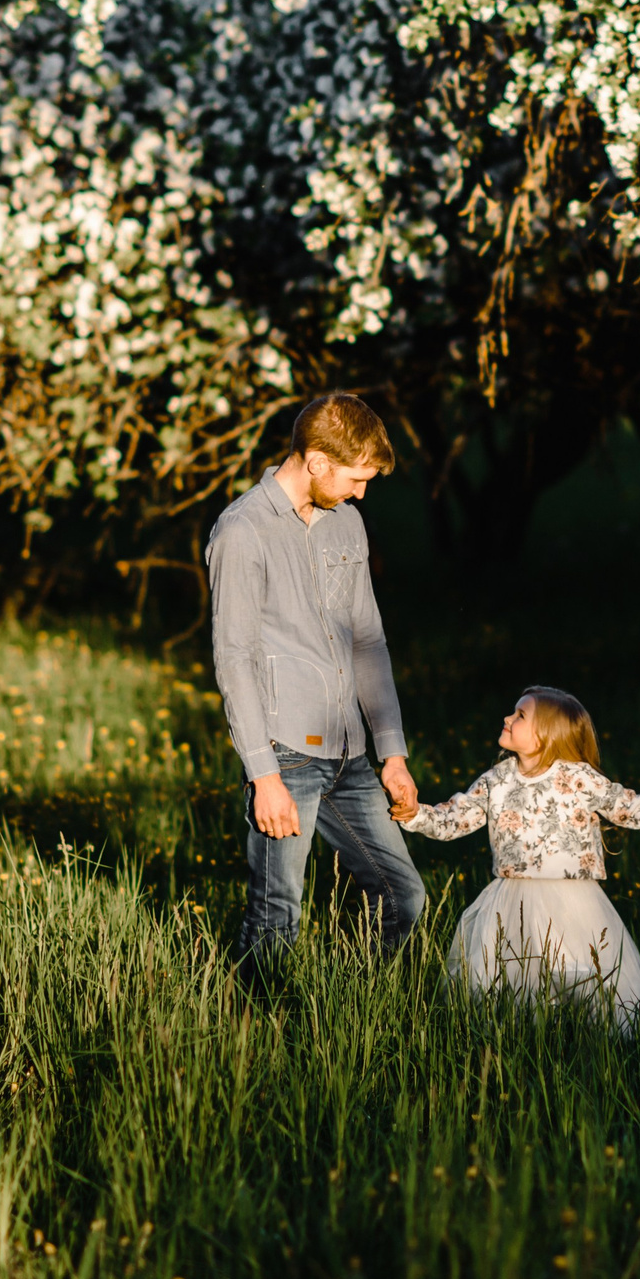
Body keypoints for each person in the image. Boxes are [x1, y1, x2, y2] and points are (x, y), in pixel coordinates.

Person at [209, 392, 425, 959]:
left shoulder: (347, 523)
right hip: (285, 756)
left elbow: (369, 641)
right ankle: (260, 1031)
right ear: (317, 462)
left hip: (351, 754)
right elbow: (234, 660)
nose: (361, 492)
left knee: (403, 895)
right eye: (356, 479)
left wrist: (393, 753)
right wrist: (264, 777)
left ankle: (356, 1009)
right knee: (276, 912)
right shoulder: (241, 532)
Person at [397, 687, 640, 1029]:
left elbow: (627, 807)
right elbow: (455, 818)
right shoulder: (497, 780)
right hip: (511, 896)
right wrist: (414, 814)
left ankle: (584, 1036)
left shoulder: (577, 778)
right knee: (509, 972)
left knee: (578, 970)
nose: (508, 718)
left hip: (572, 899)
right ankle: (522, 1036)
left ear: (548, 734)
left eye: (520, 715)